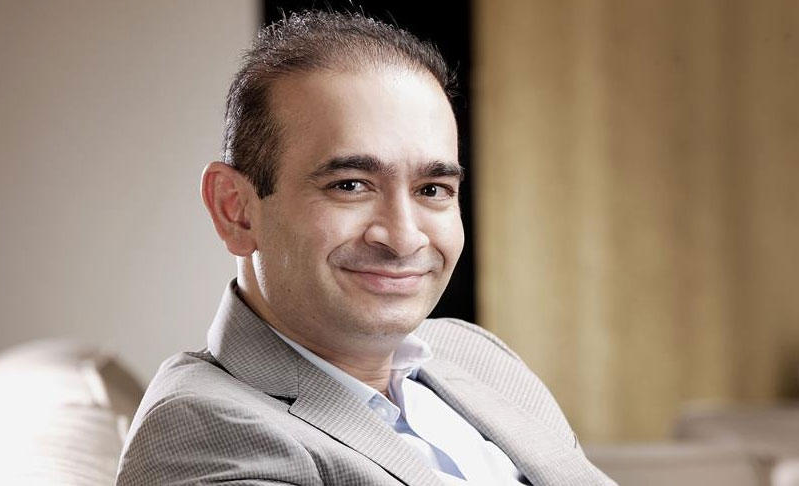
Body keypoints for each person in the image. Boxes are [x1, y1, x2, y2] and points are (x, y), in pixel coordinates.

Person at [116, 10, 615, 486]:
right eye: (350, 185)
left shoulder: (476, 353)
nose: (404, 238)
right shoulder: (203, 431)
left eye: (432, 189)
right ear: (237, 210)